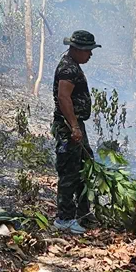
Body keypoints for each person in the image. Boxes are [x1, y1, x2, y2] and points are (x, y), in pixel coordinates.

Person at [52, 30, 101, 235]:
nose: (90, 54)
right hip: (68, 127)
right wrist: (73, 127)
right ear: (77, 49)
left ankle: (83, 214)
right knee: (70, 171)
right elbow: (64, 98)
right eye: (88, 50)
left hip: (76, 125)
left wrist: (77, 126)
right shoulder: (68, 68)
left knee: (84, 167)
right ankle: (64, 218)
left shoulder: (73, 66)